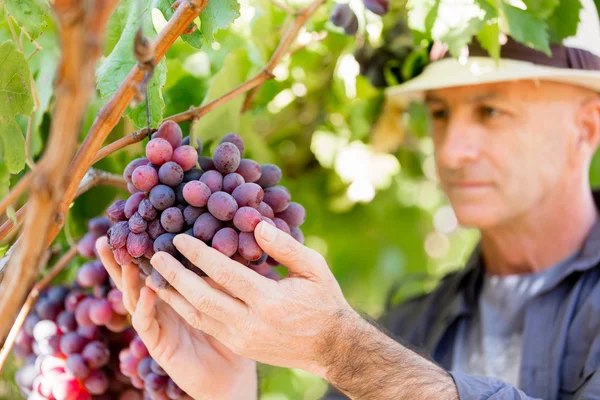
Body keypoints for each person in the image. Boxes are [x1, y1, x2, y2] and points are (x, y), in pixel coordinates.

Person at [96, 0, 600, 398]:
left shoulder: (372, 352)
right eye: (441, 114)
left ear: (586, 128)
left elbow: (352, 355)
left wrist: (339, 349)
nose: (453, 149)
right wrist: (229, 390)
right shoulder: (410, 326)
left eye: (491, 111)